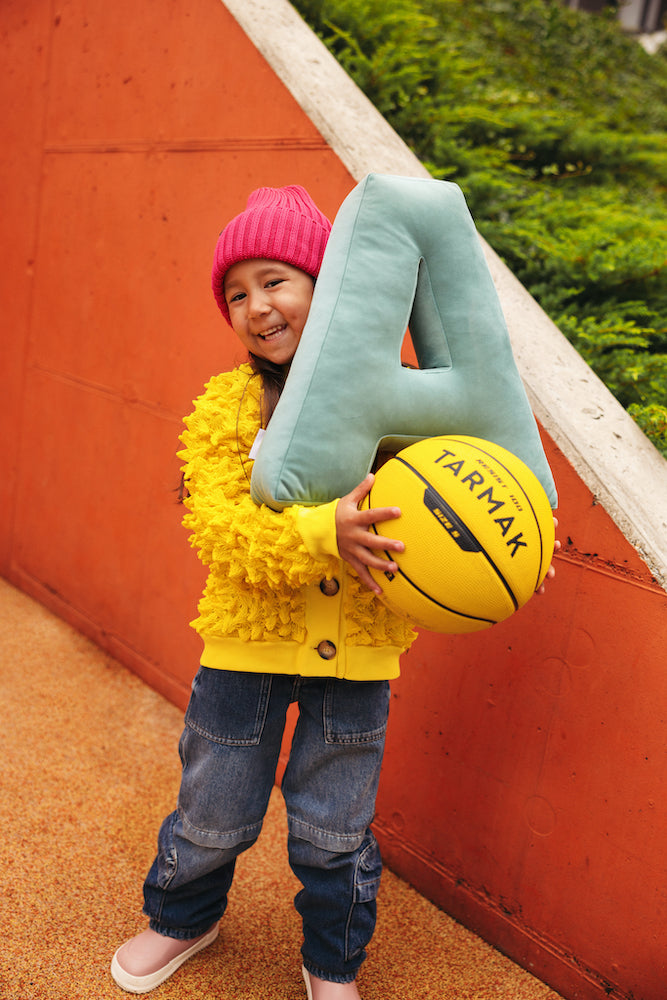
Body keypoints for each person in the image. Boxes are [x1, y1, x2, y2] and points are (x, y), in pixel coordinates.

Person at [110, 184, 419, 999]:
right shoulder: (228, 404)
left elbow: (444, 503)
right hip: (244, 650)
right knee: (212, 810)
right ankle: (181, 918)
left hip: (356, 655)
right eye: (236, 293)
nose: (256, 306)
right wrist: (323, 533)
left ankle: (331, 965)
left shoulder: (396, 401)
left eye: (275, 280)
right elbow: (216, 525)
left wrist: (506, 547)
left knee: (334, 830)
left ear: (328, 285)